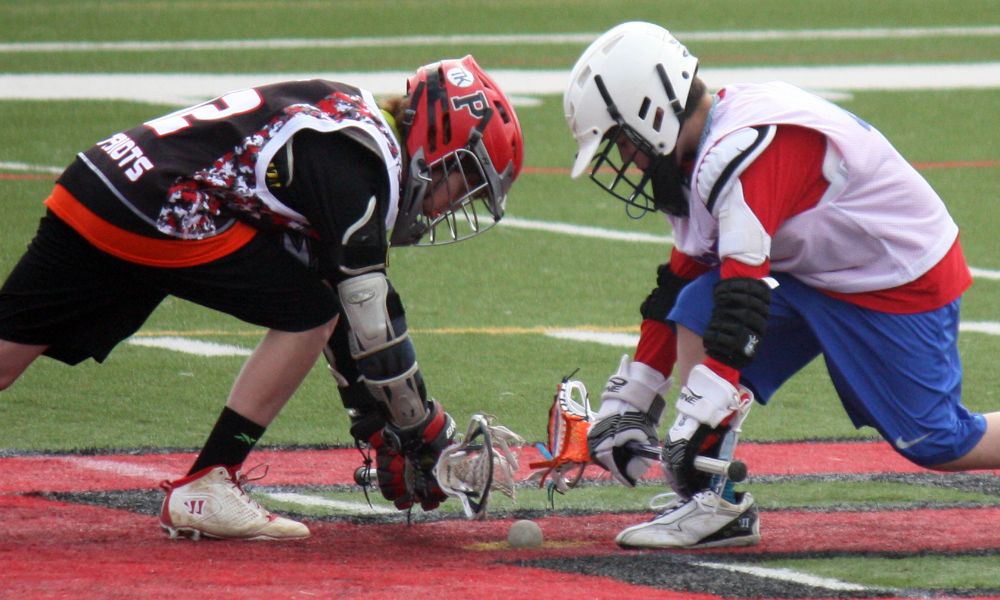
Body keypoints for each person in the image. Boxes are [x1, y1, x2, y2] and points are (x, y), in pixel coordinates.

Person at [0, 55, 524, 541]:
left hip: (102, 181)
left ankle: (208, 482)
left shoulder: (347, 119)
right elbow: (362, 313)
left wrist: (374, 420)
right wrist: (419, 426)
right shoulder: (362, 158)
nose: (454, 203)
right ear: (439, 139)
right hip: (163, 205)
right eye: (466, 182)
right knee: (308, 315)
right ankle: (208, 482)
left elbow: (336, 293)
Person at [564, 21, 1000, 549]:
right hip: (818, 268)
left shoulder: (746, 149)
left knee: (937, 441)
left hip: (893, 278)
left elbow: (742, 302)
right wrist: (634, 400)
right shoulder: (701, 151)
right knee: (693, 306)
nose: (626, 160)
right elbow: (676, 285)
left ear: (649, 111)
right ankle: (715, 503)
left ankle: (706, 475)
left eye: (619, 141)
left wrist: (695, 420)